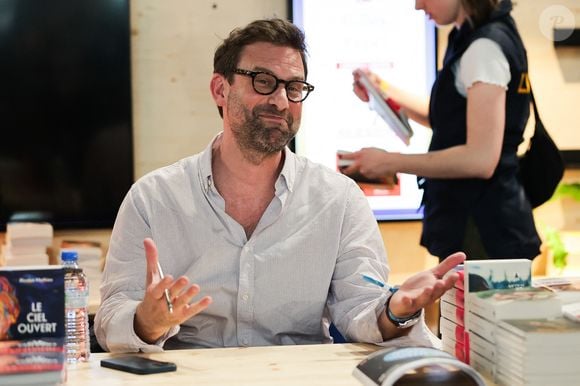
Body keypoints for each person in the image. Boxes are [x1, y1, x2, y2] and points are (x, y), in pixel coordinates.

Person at [94, 18, 464, 353]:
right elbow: (110, 318)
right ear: (220, 90)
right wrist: (146, 322)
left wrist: (395, 311)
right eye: (264, 81)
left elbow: (361, 307)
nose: (281, 100)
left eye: (295, 87)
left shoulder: (339, 200)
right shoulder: (153, 199)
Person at [342, 0, 541, 262]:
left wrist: (390, 162)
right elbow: (449, 120)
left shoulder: (484, 47)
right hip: (477, 223)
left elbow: (481, 159)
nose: (418, 6)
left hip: (485, 229)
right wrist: (382, 90)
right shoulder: (474, 36)